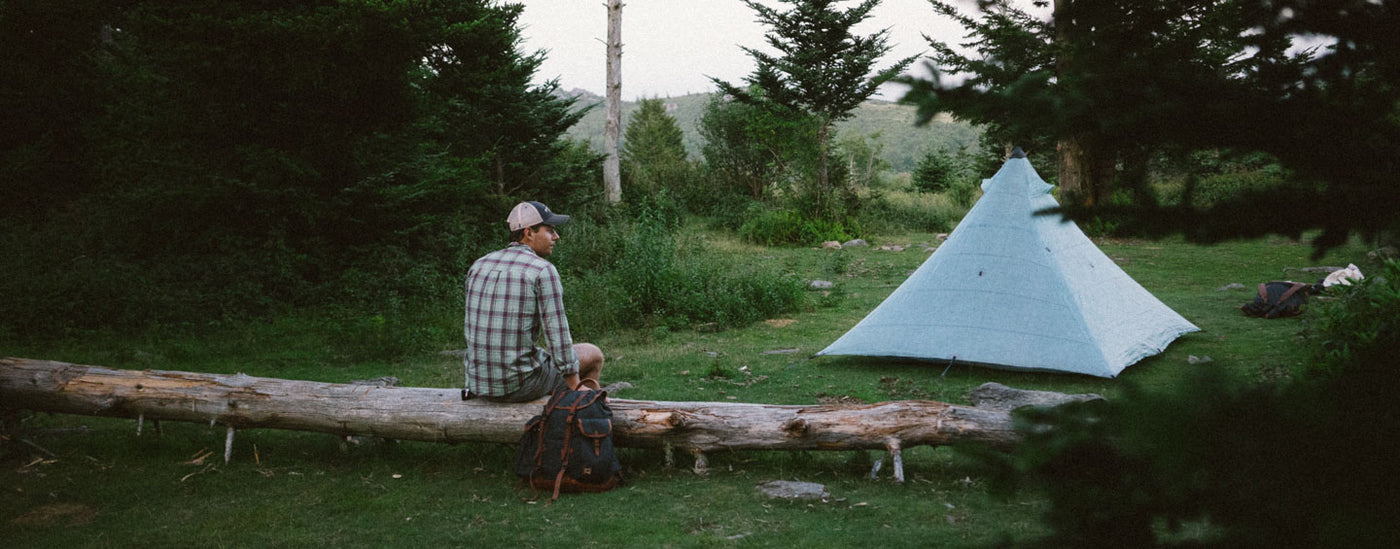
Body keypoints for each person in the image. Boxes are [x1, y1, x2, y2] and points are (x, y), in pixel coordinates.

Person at [463, 201, 604, 401]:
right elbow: (558, 336)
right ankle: (582, 419)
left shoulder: (479, 265)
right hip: (518, 386)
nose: (556, 237)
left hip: (478, 384)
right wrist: (575, 385)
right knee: (593, 354)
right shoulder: (542, 270)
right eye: (550, 230)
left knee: (539, 356)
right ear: (529, 233)